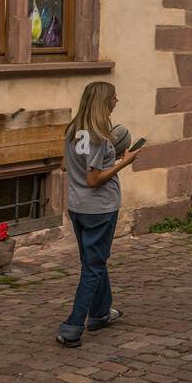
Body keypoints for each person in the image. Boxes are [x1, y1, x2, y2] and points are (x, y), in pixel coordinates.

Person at [57, 81, 140, 348]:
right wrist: (122, 163)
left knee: (95, 260)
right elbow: (94, 179)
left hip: (77, 206)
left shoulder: (73, 130)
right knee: (92, 267)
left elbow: (64, 166)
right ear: (103, 102)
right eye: (114, 97)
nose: (117, 100)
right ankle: (72, 327)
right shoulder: (99, 137)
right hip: (99, 209)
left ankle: (101, 314)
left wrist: (105, 160)